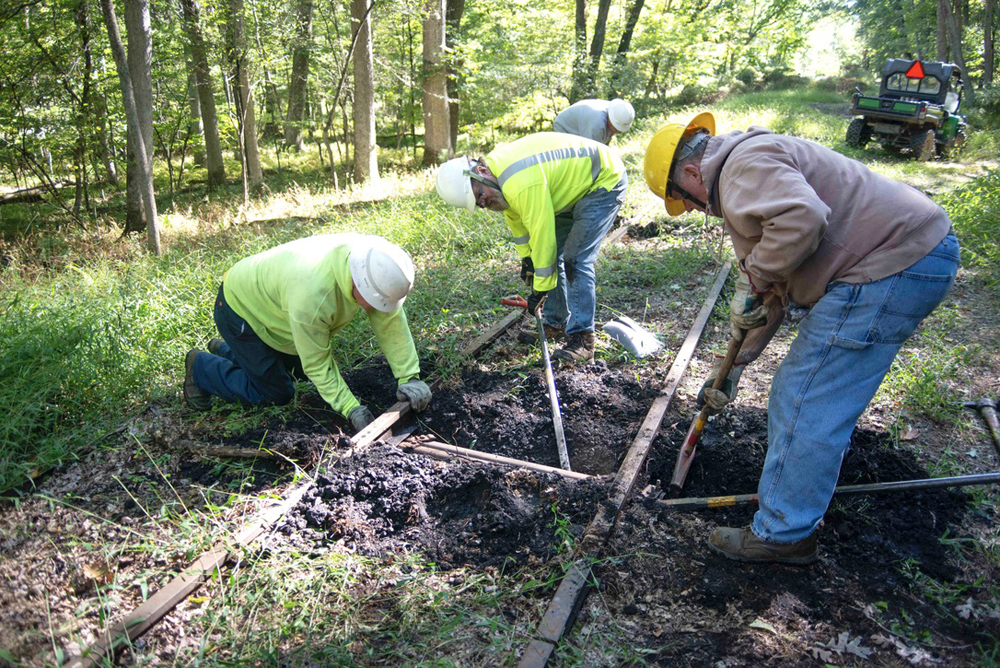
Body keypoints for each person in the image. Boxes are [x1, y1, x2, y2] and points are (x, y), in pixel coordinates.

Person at [644, 112, 959, 564]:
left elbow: (802, 221)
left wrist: (753, 276)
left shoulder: (741, 169)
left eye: (687, 201)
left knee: (802, 397)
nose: (697, 210)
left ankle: (783, 533)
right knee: (812, 394)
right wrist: (731, 369)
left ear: (692, 174)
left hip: (889, 265)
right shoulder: (748, 166)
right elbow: (774, 289)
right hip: (909, 256)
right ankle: (801, 489)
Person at [182, 234, 432, 432]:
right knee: (278, 392)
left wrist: (409, 376)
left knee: (297, 373)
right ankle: (202, 368)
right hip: (240, 310)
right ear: (357, 283)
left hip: (275, 307)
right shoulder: (313, 297)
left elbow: (390, 320)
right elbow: (317, 364)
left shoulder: (375, 259)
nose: (377, 309)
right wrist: (350, 409)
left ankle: (230, 350)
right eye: (374, 301)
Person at [435, 132, 628, 363]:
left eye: (479, 195)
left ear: (481, 172)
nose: (482, 203)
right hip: (573, 189)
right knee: (548, 256)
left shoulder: (520, 181)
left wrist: (540, 289)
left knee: (575, 258)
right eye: (477, 204)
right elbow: (519, 223)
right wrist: (528, 260)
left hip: (602, 181)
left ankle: (582, 339)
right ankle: (556, 323)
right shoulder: (500, 178)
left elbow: (541, 232)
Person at [553, 98, 635, 145]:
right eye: (616, 130)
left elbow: (604, 148)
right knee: (574, 159)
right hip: (566, 128)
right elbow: (591, 151)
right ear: (611, 120)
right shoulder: (596, 123)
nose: (618, 132)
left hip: (584, 123)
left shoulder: (615, 112)